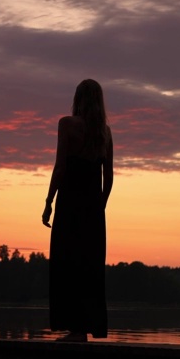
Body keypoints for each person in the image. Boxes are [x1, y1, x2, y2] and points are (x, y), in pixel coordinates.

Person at [42, 79, 113, 340]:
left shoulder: (67, 124)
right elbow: (110, 179)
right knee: (89, 266)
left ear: (78, 99)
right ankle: (83, 328)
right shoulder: (105, 133)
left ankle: (74, 328)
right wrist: (99, 207)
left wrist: (49, 201)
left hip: (70, 204)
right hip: (93, 209)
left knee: (67, 261)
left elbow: (60, 167)